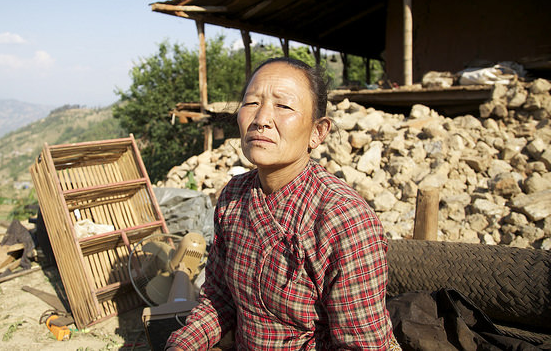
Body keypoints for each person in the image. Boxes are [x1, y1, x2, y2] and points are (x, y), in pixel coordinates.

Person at [166, 57, 398, 350]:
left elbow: (360, 345)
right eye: (251, 103)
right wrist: (183, 344)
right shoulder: (233, 198)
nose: (261, 119)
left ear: (318, 132)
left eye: (284, 106)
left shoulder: (343, 219)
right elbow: (219, 299)